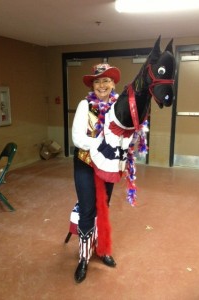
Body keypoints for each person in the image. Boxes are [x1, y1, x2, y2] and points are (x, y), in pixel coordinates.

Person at [72, 63, 121, 283]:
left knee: (103, 207)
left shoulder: (118, 106)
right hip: (85, 163)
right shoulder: (85, 105)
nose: (102, 85)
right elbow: (78, 139)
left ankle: (102, 250)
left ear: (113, 83)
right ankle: (83, 257)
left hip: (108, 165)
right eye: (97, 81)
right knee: (87, 208)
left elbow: (124, 134)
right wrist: (103, 142)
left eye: (106, 80)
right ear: (93, 85)